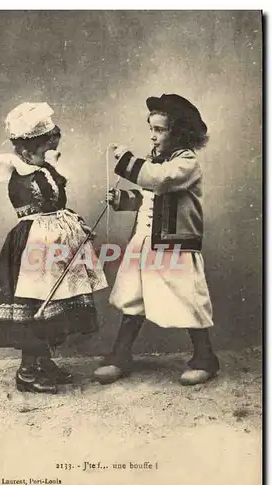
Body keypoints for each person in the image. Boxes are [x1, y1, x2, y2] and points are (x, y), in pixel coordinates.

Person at [93, 93, 219, 386]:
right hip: (146, 241)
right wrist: (123, 199)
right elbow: (150, 197)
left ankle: (205, 358)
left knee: (188, 299)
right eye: (151, 129)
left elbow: (159, 180)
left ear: (179, 132)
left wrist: (125, 160)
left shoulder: (186, 163)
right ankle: (121, 355)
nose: (153, 136)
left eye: (160, 130)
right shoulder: (158, 162)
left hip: (174, 245)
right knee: (133, 299)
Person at [0, 102, 108, 393]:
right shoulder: (21, 173)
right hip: (34, 246)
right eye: (44, 147)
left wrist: (77, 227)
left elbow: (57, 207)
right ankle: (28, 371)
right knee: (36, 305)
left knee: (55, 307)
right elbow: (38, 211)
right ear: (28, 147)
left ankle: (44, 363)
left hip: (53, 243)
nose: (49, 153)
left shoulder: (44, 168)